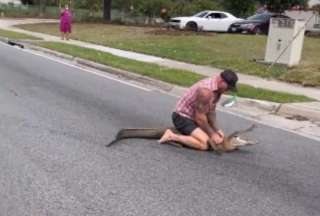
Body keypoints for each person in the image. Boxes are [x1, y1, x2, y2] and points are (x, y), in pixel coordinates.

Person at [159, 69, 238, 151]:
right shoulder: (206, 91)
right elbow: (199, 118)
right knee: (205, 144)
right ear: (221, 81)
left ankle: (190, 135)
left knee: (214, 139)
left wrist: (217, 130)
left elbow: (211, 112)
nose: (228, 90)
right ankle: (171, 136)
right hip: (182, 117)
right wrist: (212, 134)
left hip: (194, 118)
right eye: (228, 87)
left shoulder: (218, 90)